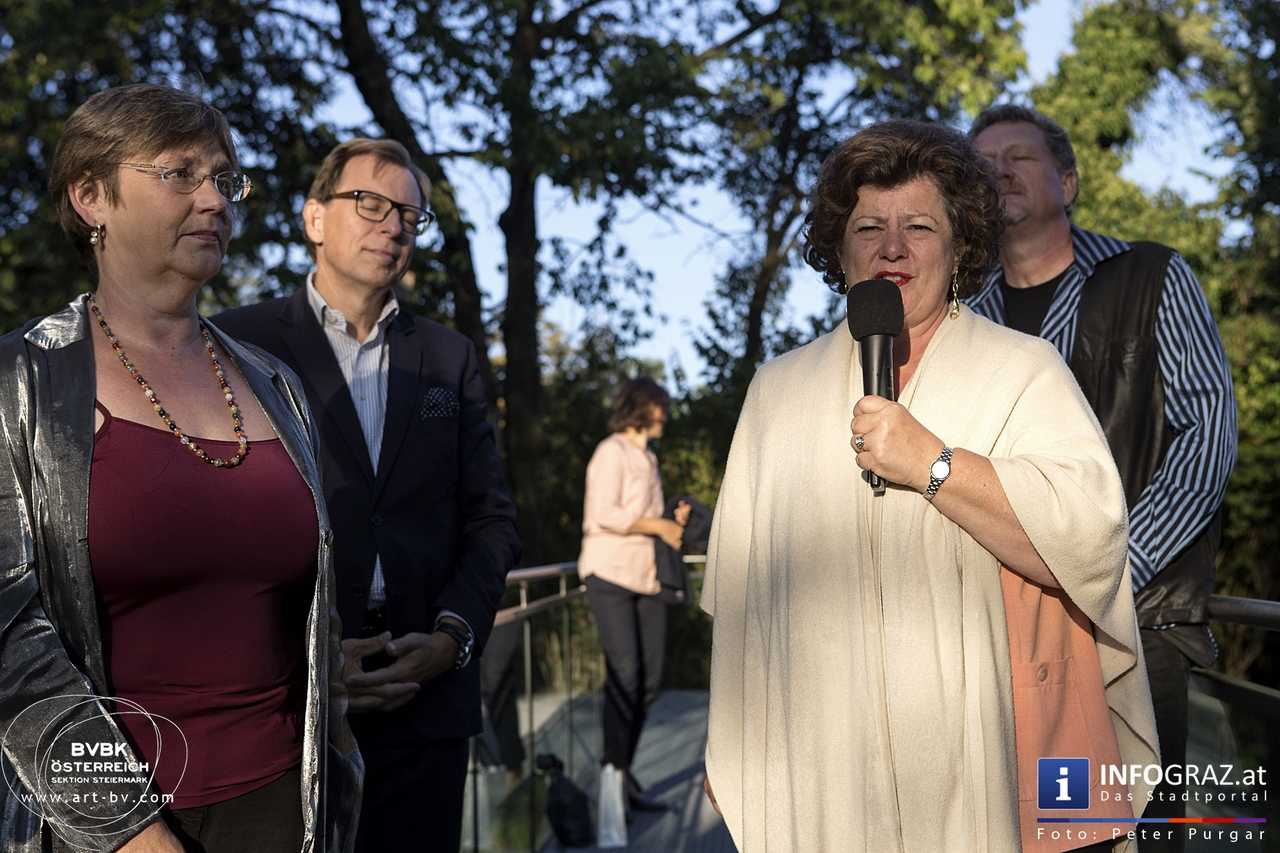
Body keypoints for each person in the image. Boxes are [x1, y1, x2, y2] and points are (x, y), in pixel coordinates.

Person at [701, 120, 1160, 851]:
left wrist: (935, 465)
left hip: (988, 768)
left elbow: (1089, 543)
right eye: (868, 226)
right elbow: (741, 596)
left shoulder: (1025, 369)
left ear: (960, 245)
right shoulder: (776, 390)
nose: (892, 248)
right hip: (827, 775)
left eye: (918, 225)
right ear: (839, 246)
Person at [0, 84, 360, 853]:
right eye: (180, 174)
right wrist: (131, 831)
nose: (215, 199)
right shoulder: (20, 384)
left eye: (226, 180)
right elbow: (9, 642)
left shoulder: (278, 386)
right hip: (99, 831)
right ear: (92, 195)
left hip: (284, 812)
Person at [214, 138, 520, 852]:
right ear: (314, 217)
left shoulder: (450, 356)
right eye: (371, 204)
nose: (393, 226)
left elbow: (493, 519)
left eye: (409, 216)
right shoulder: (237, 343)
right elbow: (222, 527)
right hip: (290, 701)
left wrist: (453, 638)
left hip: (427, 697)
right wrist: (308, 655)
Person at [970, 105, 1237, 851]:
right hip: (1008, 632)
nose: (999, 170)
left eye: (1019, 155)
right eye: (983, 161)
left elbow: (1207, 430)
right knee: (1033, 832)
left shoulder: (1151, 275)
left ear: (1069, 178)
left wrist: (1111, 568)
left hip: (1137, 624)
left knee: (1139, 833)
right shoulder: (964, 317)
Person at [578, 378, 689, 812]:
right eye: (661, 407)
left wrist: (671, 516)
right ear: (643, 409)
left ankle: (619, 772)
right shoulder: (612, 451)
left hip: (646, 578)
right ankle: (613, 782)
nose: (666, 415)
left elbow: (645, 515)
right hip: (609, 575)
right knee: (624, 676)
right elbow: (603, 512)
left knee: (649, 680)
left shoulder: (648, 458)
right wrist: (658, 524)